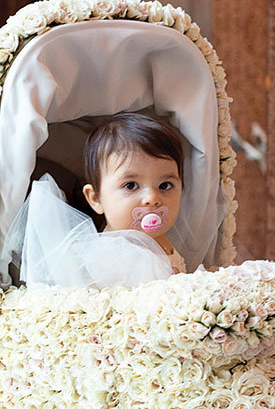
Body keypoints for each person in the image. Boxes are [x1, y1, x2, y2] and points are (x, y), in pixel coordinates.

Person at [11, 112, 187, 288]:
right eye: (131, 185)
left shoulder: (160, 240)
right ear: (96, 199)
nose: (152, 198)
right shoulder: (110, 255)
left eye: (165, 185)